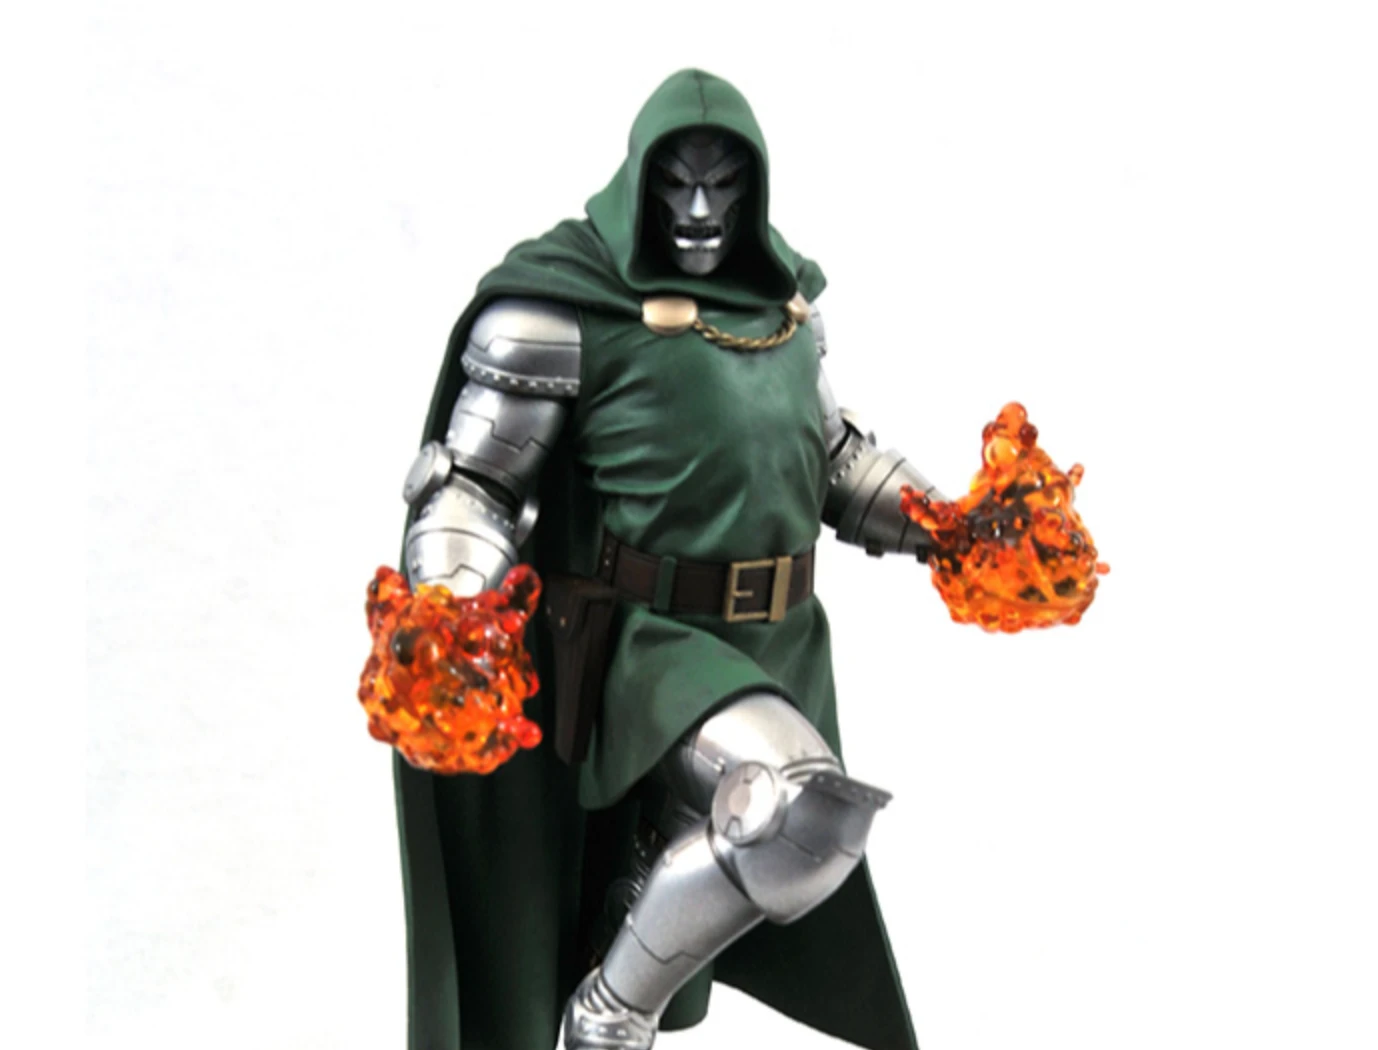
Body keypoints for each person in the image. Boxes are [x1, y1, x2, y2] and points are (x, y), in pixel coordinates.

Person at [395, 68, 943, 1050]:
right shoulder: (563, 306)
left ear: (753, 188)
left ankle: (630, 947)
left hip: (781, 642)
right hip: (650, 649)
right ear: (640, 182)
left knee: (762, 840)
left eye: (722, 186)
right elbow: (472, 487)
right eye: (677, 184)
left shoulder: (783, 310)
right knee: (799, 810)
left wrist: (955, 525)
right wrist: (451, 610)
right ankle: (607, 1019)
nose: (698, 211)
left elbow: (834, 464)